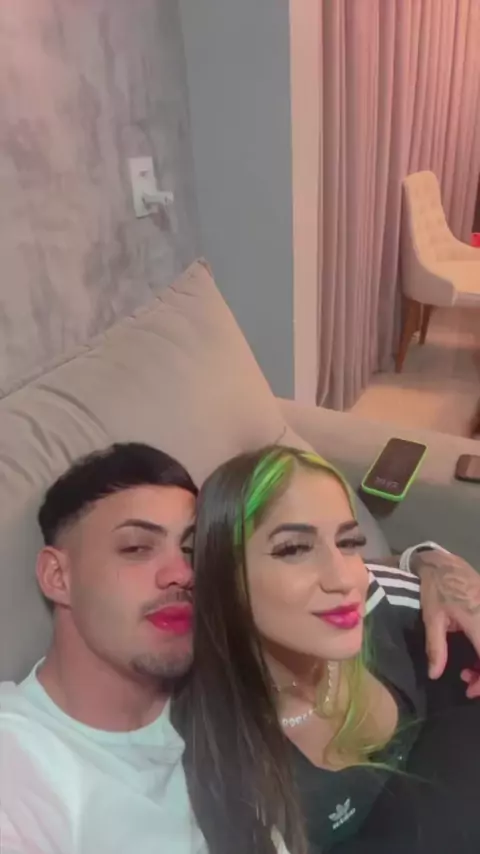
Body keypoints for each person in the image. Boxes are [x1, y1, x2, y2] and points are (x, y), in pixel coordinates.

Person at [1, 442, 479, 853]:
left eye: (193, 552)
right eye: (136, 548)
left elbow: (346, 575)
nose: (183, 575)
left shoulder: (217, 684)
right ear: (58, 575)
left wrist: (431, 563)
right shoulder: (20, 756)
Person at [176, 445, 480, 854]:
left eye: (349, 542)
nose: (344, 578)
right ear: (223, 573)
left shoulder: (377, 602)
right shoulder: (223, 766)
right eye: (294, 549)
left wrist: (431, 561)